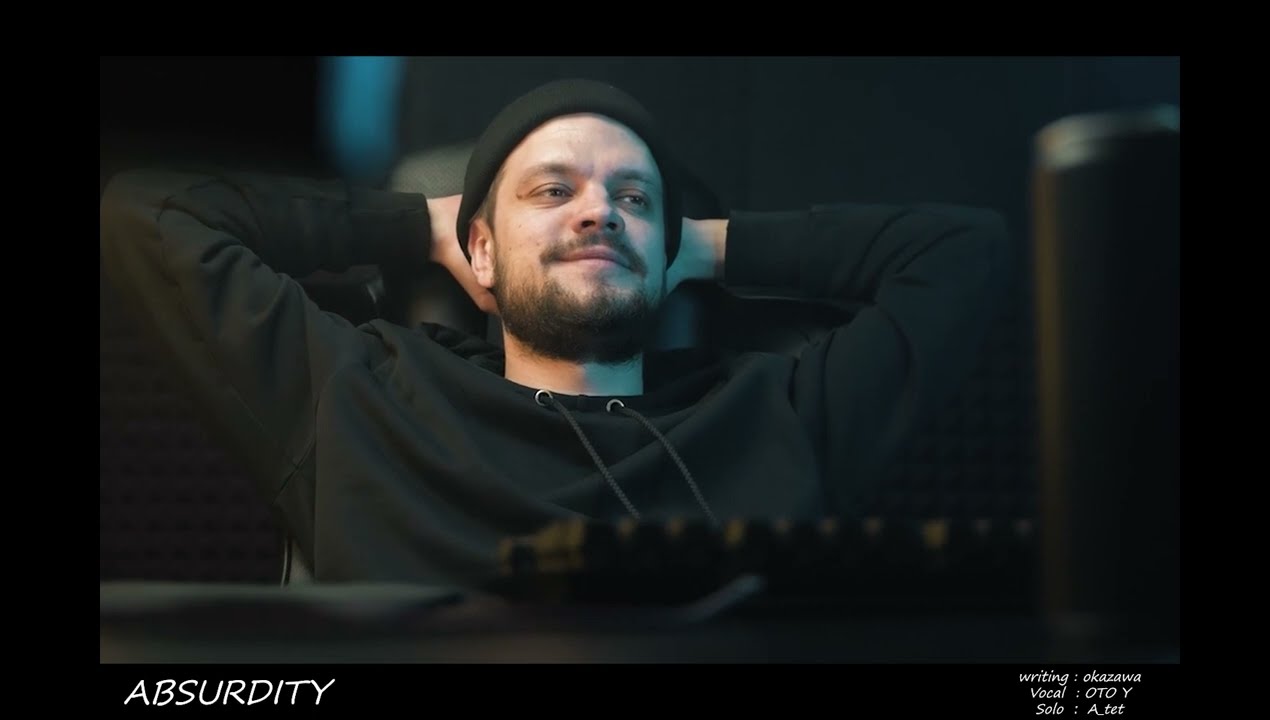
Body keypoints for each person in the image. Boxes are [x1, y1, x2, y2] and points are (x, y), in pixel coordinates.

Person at [100, 78, 1009, 587]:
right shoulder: (360, 393)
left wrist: (706, 245)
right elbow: (148, 215)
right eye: (552, 190)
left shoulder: (776, 412)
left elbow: (964, 251)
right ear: (482, 249)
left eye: (634, 199)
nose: (599, 212)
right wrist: (415, 226)